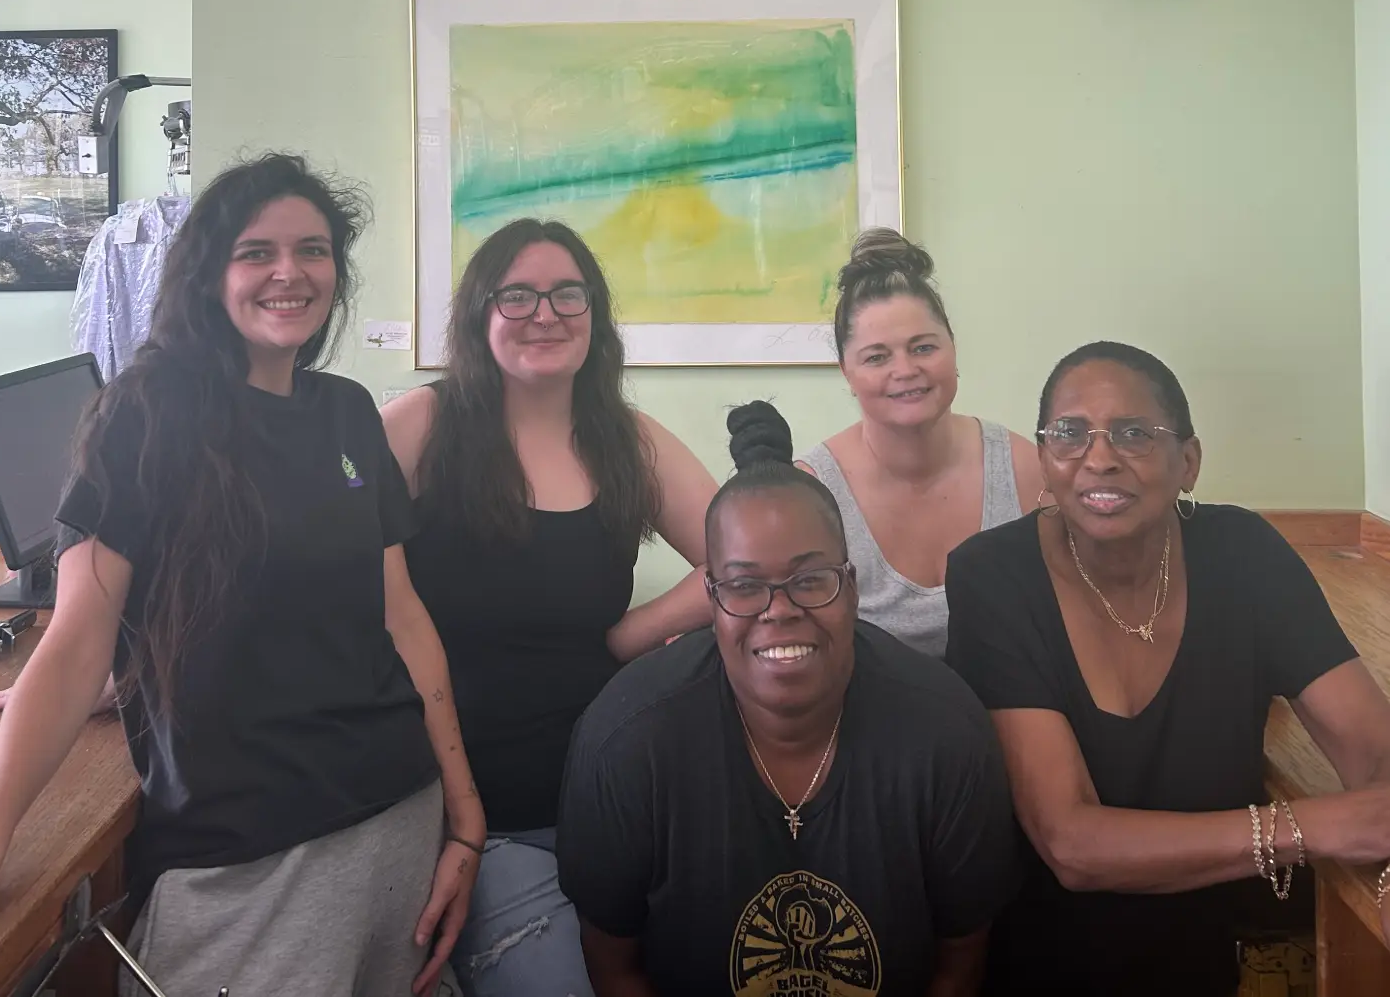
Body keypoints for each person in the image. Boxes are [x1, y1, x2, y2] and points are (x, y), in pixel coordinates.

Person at [0, 154, 480, 997]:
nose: (290, 272)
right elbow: (72, 645)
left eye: (313, 249)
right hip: (252, 856)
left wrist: (463, 812)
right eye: (257, 252)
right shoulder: (147, 416)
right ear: (210, 273)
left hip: (400, 816)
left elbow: (401, 617)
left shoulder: (347, 410)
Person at [944, 341, 1390, 996]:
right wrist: (1311, 826)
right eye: (1070, 433)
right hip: (1040, 969)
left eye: (1133, 433)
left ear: (1189, 461)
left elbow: (1374, 749)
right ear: (1044, 458)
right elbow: (1071, 841)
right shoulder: (992, 575)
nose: (1099, 456)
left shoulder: (1245, 554)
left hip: (1203, 961)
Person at [557, 400, 1023, 997]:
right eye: (745, 586)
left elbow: (960, 964)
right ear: (711, 597)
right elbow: (614, 965)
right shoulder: (627, 741)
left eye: (810, 580)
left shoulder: (945, 733)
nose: (780, 611)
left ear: (850, 587)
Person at [381, 218, 718, 996]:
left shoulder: (626, 440)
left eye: (568, 293)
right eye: (519, 295)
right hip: (469, 820)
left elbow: (742, 560)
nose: (546, 313)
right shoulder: (421, 428)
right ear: (479, 313)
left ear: (594, 313)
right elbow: (317, 570)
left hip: (611, 804)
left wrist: (631, 634)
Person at [797, 229, 1043, 657]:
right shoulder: (813, 492)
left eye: (923, 347)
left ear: (953, 349)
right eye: (877, 357)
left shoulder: (1022, 468)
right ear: (845, 372)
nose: (906, 370)